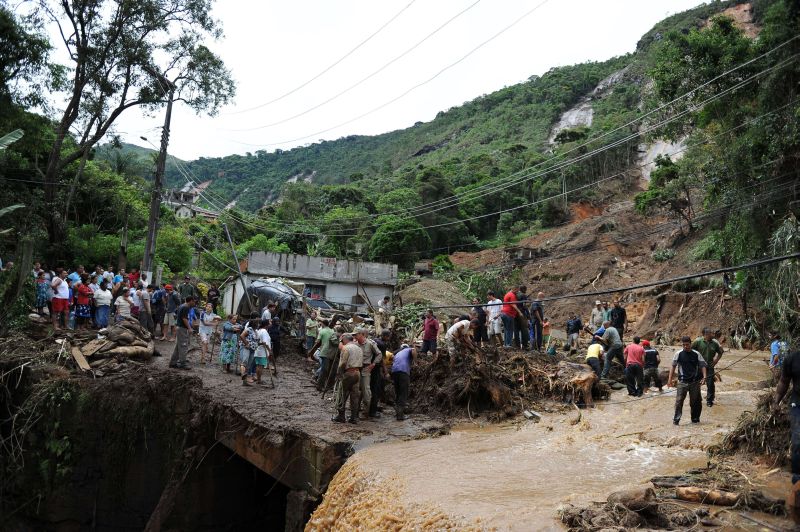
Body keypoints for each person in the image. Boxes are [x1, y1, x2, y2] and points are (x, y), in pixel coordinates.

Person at [772, 349, 800, 521]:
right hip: (798, 404)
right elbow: (784, 381)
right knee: (798, 441)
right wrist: (776, 401)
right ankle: (797, 481)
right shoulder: (793, 358)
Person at [668, 336, 708, 425]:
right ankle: (676, 420)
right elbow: (673, 366)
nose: (686, 346)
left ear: (691, 344)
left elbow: (703, 366)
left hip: (695, 382)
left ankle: (695, 420)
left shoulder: (696, 354)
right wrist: (669, 380)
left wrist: (704, 377)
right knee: (679, 402)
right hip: (682, 382)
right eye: (684, 345)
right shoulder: (678, 354)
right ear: (682, 345)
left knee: (696, 402)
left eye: (687, 344)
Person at [332, 333, 362, 424]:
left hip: (348, 373)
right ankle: (354, 417)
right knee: (354, 396)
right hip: (357, 372)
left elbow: (343, 363)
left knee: (341, 394)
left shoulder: (346, 348)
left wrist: (339, 374)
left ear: (344, 340)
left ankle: (341, 416)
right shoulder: (359, 348)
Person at [355, 327, 382, 419]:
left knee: (366, 392)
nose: (355, 336)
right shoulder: (355, 344)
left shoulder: (370, 344)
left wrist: (373, 364)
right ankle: (355, 412)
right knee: (355, 392)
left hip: (365, 370)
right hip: (355, 369)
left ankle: (365, 412)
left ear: (362, 334)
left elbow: (379, 354)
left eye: (356, 334)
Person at [692, 327, 723, 407]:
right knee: (696, 382)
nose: (712, 335)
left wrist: (715, 361)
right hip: (699, 366)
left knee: (710, 384)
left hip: (709, 366)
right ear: (705, 335)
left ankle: (709, 400)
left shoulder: (714, 343)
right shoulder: (698, 342)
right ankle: (697, 398)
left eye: (712, 333)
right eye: (710, 333)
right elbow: (690, 350)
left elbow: (720, 352)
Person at [169, 295, 195, 370]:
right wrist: (189, 328)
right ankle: (183, 363)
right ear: (191, 301)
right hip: (182, 329)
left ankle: (173, 363)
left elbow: (176, 315)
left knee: (178, 346)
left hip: (179, 327)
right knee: (184, 346)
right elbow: (184, 319)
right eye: (194, 301)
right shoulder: (186, 307)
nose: (194, 303)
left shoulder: (181, 306)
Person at [309, 319, 337, 390]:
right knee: (327, 369)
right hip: (331, 353)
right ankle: (326, 384)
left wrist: (311, 351)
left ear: (323, 324)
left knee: (324, 369)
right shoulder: (332, 331)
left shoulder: (322, 331)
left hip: (324, 352)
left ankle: (318, 383)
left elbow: (317, 342)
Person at [391, 343, 416, 421]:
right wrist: (415, 360)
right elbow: (414, 350)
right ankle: (400, 416)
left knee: (398, 392)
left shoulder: (398, 353)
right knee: (403, 392)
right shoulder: (408, 349)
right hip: (403, 372)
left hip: (394, 372)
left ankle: (398, 412)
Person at [370, 330, 391, 418]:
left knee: (368, 388)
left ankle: (366, 407)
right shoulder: (382, 344)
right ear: (386, 336)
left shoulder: (373, 340)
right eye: (389, 336)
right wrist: (385, 372)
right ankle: (372, 411)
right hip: (375, 368)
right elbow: (382, 359)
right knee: (376, 390)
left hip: (367, 366)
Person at [238, 313, 260, 385]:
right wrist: (246, 343)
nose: (258, 324)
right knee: (244, 362)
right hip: (246, 348)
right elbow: (242, 336)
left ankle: (244, 382)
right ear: (254, 324)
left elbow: (256, 340)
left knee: (249, 365)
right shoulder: (249, 329)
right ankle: (242, 374)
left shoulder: (256, 331)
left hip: (253, 349)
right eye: (257, 323)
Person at [253, 319, 273, 385]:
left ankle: (259, 379)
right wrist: (269, 351)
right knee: (260, 366)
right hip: (262, 351)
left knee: (258, 366)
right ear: (266, 324)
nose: (271, 323)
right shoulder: (264, 331)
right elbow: (264, 342)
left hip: (258, 351)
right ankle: (259, 380)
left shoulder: (259, 330)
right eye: (269, 322)